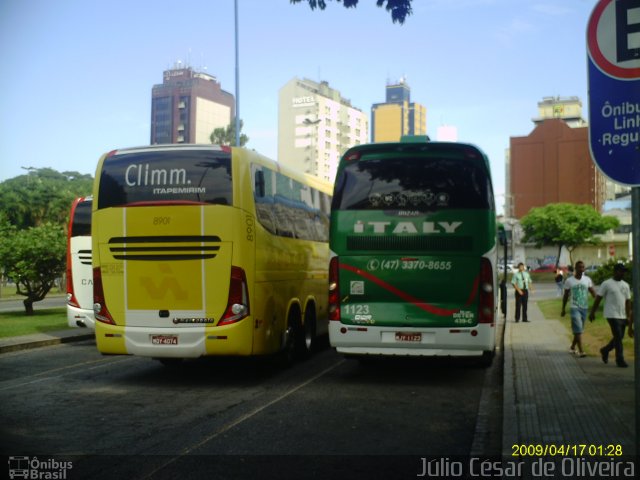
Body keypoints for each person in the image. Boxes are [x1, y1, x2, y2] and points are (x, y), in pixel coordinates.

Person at [589, 263, 633, 368]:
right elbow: (598, 298)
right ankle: (620, 359)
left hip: (622, 315)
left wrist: (628, 316)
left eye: (623, 271)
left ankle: (605, 350)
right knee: (618, 336)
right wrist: (592, 312)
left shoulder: (626, 285)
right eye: (620, 271)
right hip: (611, 314)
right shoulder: (606, 284)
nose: (622, 273)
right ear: (615, 271)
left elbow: (628, 302)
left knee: (620, 337)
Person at [561, 260, 597, 357]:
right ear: (576, 268)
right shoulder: (569, 281)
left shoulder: (587, 280)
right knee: (578, 330)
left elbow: (593, 292)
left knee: (579, 330)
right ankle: (581, 351)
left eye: (583, 267)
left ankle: (572, 347)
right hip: (574, 307)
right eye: (579, 267)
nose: (581, 269)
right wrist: (563, 309)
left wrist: (596, 301)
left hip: (584, 308)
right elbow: (565, 296)